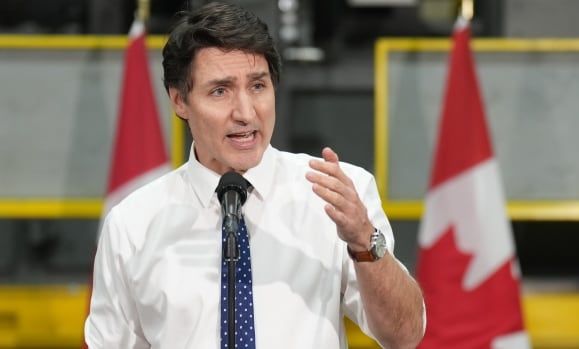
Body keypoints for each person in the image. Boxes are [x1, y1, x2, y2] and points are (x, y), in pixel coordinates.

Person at [84, 2, 425, 348]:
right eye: (220, 91)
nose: (246, 113)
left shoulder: (337, 195)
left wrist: (364, 241)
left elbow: (406, 335)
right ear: (180, 101)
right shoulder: (133, 225)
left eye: (258, 86)